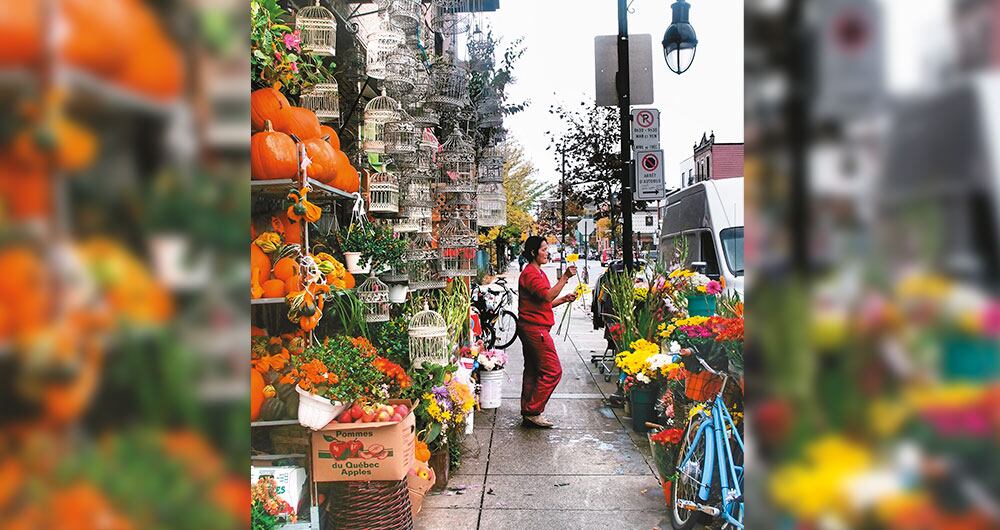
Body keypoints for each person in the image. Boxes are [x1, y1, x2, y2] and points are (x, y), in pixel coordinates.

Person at [517, 236, 577, 428]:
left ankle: (528, 410)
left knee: (533, 370)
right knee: (553, 371)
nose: (547, 252)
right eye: (543, 249)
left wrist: (564, 299)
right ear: (533, 252)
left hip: (532, 327)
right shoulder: (531, 274)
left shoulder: (537, 272)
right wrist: (565, 278)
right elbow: (547, 295)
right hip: (535, 329)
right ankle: (533, 410)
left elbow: (544, 302)